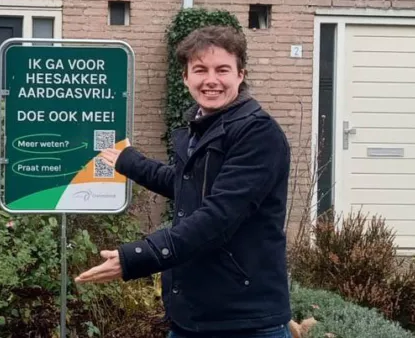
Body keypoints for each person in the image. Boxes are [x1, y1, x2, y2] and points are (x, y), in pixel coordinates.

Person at [75, 25, 292, 338]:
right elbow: (186, 183)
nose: (211, 80)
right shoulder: (206, 127)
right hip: (194, 316)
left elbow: (218, 217)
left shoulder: (258, 134)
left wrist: (138, 257)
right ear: (186, 77)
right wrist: (129, 161)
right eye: (200, 70)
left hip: (243, 321)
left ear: (240, 75)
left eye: (222, 70)